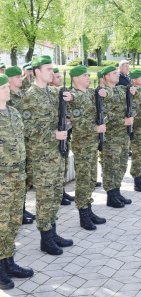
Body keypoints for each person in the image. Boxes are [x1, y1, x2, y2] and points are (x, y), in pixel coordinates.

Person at [22, 55, 73, 255]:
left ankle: (52, 231)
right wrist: (51, 134)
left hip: (57, 153)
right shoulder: (30, 95)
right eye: (48, 69)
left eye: (53, 69)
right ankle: (45, 238)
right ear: (36, 72)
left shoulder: (53, 93)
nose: (52, 72)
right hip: (42, 155)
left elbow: (67, 108)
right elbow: (26, 127)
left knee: (54, 195)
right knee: (44, 196)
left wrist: (72, 98)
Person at [0, 74, 34, 290]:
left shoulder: (13, 112)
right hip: (2, 179)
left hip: (18, 176)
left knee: (13, 221)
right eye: (3, 87)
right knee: (1, 223)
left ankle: (8, 261)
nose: (7, 90)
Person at [68, 65, 106, 230]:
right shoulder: (73, 97)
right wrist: (95, 128)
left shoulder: (91, 93)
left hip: (92, 143)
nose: (88, 78)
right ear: (76, 78)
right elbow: (76, 123)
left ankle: (89, 209)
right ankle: (83, 214)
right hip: (82, 144)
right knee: (83, 180)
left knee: (91, 178)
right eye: (85, 75)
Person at [98, 66, 135, 208]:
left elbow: (132, 96)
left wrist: (133, 91)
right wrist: (123, 121)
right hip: (111, 137)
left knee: (121, 164)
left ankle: (117, 190)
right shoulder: (103, 93)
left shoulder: (119, 89)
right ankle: (110, 194)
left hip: (123, 135)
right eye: (114, 73)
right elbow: (103, 115)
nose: (117, 75)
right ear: (106, 76)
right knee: (110, 166)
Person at [5, 66, 35, 224]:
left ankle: (22, 209)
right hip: (15, 146)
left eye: (19, 76)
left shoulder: (23, 94)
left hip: (27, 143)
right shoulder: (7, 98)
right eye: (16, 77)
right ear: (8, 79)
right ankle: (18, 212)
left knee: (26, 179)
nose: (20, 78)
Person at [50, 67, 75, 206]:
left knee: (64, 165)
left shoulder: (62, 92)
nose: (60, 79)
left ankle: (62, 191)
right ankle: (57, 195)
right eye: (57, 77)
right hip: (55, 137)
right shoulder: (50, 94)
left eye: (61, 76)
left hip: (65, 133)